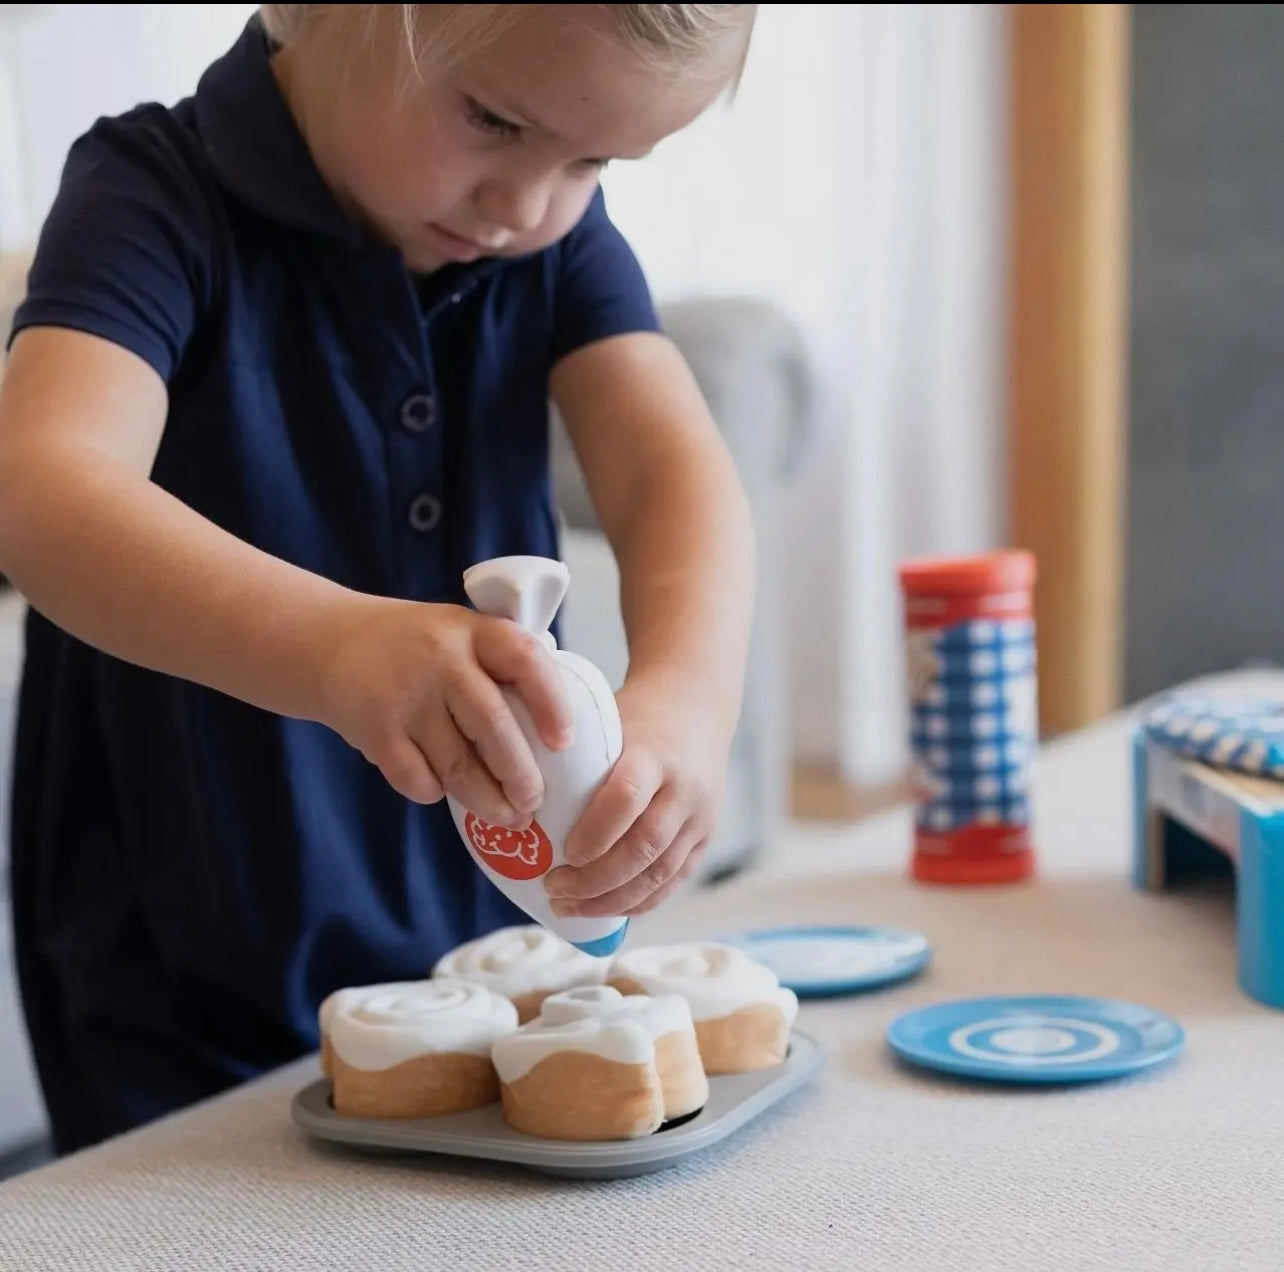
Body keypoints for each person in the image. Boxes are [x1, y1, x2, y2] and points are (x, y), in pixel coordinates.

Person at [0, 2, 758, 1155]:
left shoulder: (554, 241)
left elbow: (673, 477)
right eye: (495, 120)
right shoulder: (151, 193)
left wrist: (687, 703)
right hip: (182, 931)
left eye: (597, 160)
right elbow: (37, 491)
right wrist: (335, 648)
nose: (529, 207)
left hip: (476, 917)